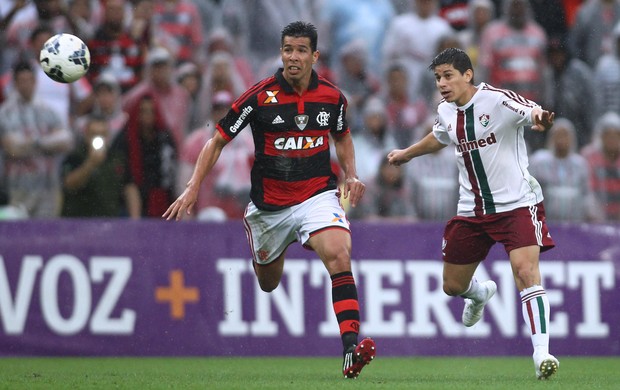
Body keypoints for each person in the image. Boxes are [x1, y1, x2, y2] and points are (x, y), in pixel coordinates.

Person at [164, 21, 375, 379]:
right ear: (281, 53)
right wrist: (193, 186)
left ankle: (349, 349)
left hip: (316, 195)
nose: (293, 57)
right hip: (269, 209)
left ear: (315, 55)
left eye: (301, 50)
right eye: (288, 50)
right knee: (268, 282)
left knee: (340, 254)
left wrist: (350, 173)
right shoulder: (259, 97)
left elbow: (342, 136)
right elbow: (217, 140)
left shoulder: (332, 96)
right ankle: (266, 253)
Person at [387, 47, 559, 380]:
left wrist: (540, 119)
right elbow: (439, 137)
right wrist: (408, 154)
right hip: (472, 211)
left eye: (448, 75)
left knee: (526, 272)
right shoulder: (446, 111)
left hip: (517, 205)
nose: (442, 83)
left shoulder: (497, 100)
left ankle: (542, 355)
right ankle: (479, 293)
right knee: (452, 286)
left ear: (468, 74)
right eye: (438, 77)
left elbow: (530, 112)